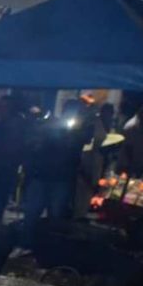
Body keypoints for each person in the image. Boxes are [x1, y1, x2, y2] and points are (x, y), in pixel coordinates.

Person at [22, 99, 93, 239]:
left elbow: (82, 143)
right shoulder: (52, 125)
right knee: (32, 213)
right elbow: (37, 145)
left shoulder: (80, 129)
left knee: (55, 214)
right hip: (43, 175)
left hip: (61, 177)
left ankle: (48, 244)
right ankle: (27, 242)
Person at [0, 95, 25, 221]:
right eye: (0, 106)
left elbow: (15, 146)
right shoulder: (0, 123)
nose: (1, 109)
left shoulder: (15, 124)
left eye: (4, 107)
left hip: (6, 167)